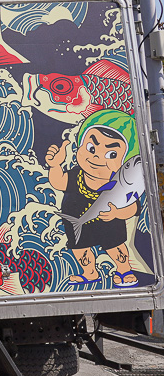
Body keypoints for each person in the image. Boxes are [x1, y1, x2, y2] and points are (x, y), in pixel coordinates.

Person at [45, 109, 140, 288]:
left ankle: (124, 269)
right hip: (77, 219)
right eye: (91, 147)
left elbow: (133, 207)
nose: (96, 155)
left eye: (111, 154)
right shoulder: (75, 176)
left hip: (109, 222)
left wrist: (118, 213)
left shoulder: (120, 185)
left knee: (116, 245)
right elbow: (58, 182)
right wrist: (55, 165)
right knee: (80, 249)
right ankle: (90, 272)